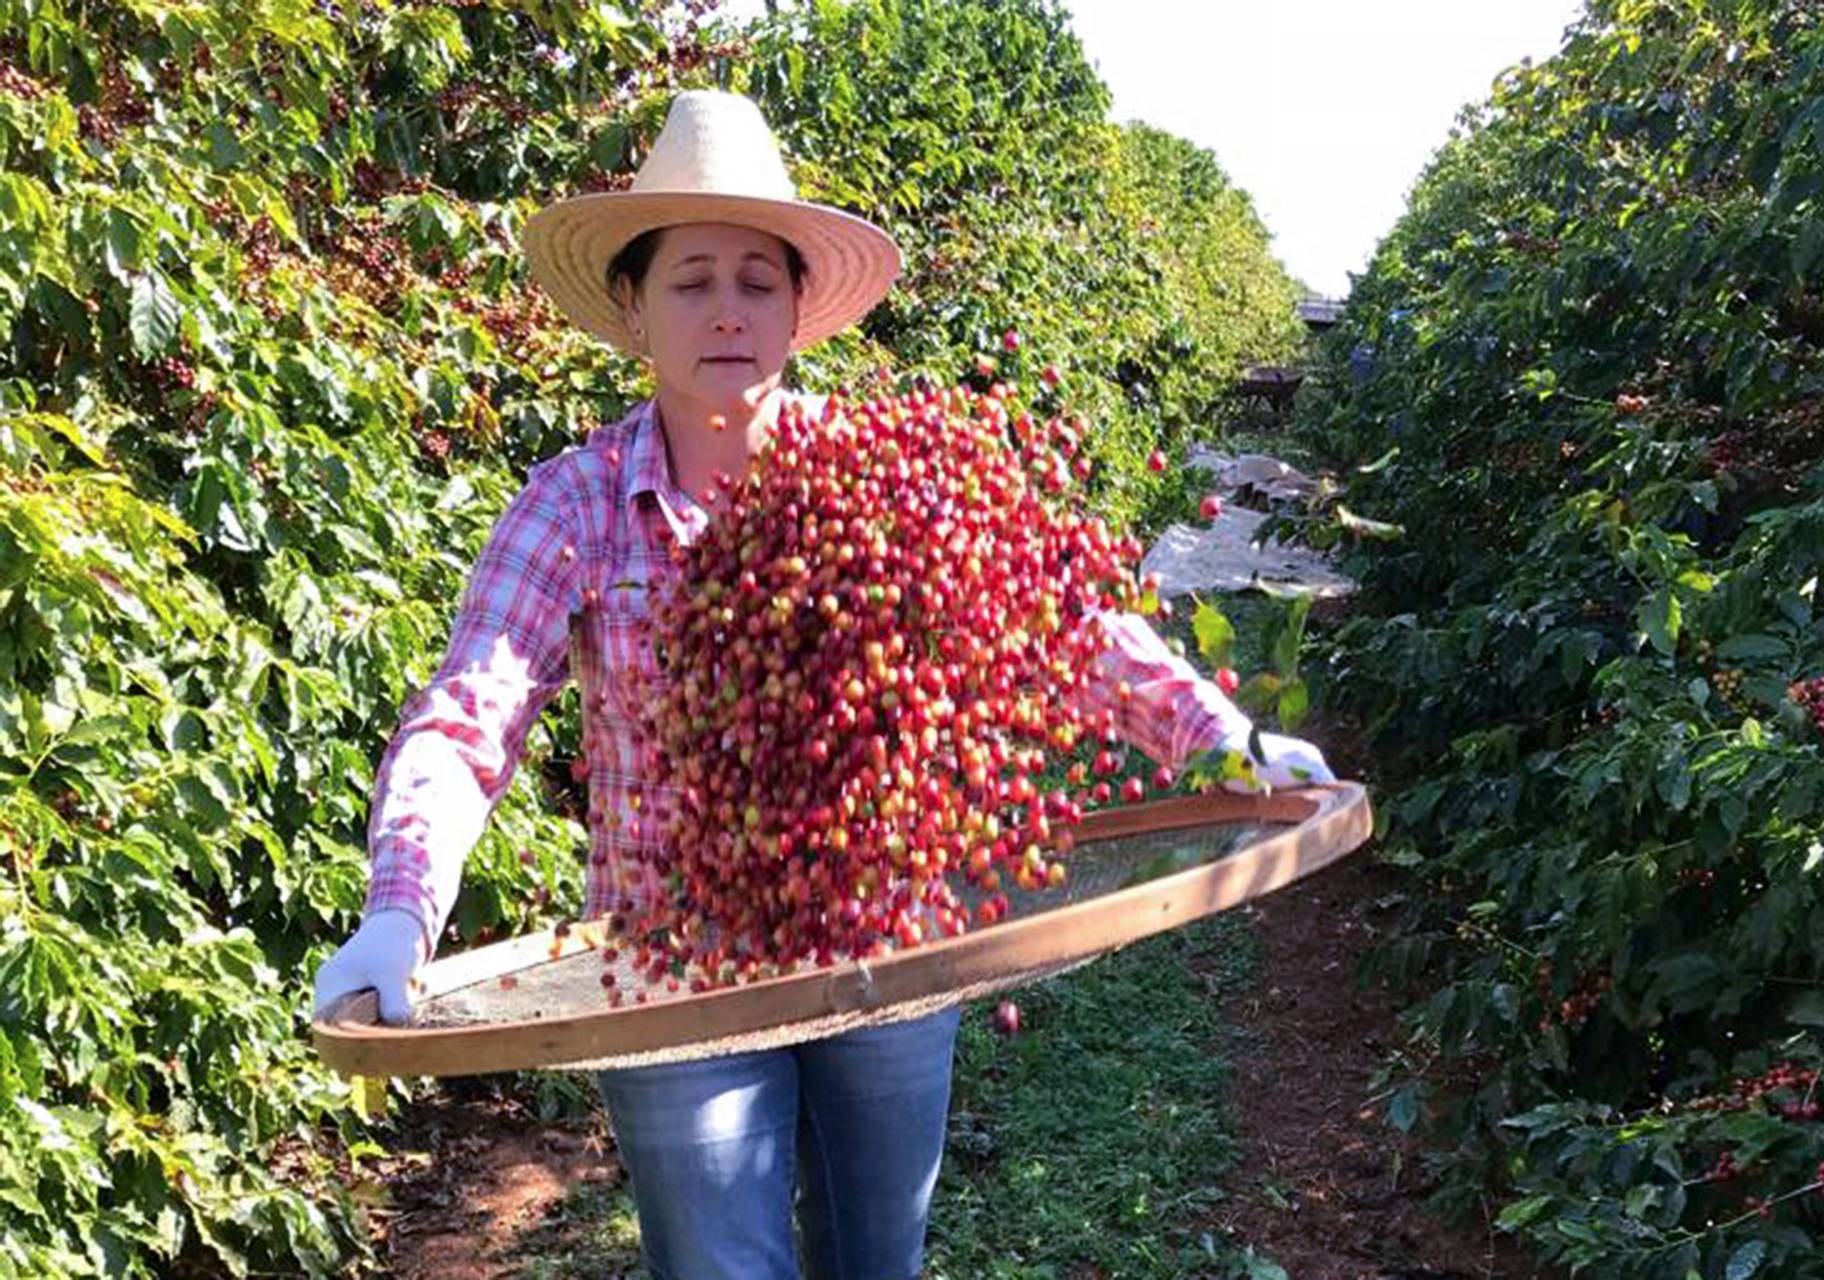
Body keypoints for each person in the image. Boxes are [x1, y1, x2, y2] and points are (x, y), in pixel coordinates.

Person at [313, 90, 1333, 1280]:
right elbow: (469, 709)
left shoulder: (884, 478)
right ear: (635, 309)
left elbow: (1062, 622)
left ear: (800, 307)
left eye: (758, 279)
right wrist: (403, 903)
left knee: (878, 1255)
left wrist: (1223, 738)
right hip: (672, 969)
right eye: (692, 280)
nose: (728, 311)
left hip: (885, 944)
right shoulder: (577, 502)